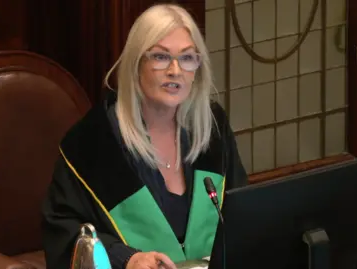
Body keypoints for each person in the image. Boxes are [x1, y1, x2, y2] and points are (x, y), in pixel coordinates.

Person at [41, 3, 247, 269]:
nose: (175, 71)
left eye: (186, 58)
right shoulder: (91, 145)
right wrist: (128, 259)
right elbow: (65, 238)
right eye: (161, 57)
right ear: (136, 64)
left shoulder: (212, 128)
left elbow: (242, 213)